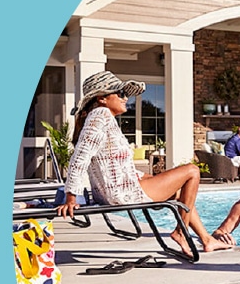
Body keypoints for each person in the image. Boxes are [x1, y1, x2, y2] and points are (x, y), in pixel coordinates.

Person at [56, 70, 228, 256]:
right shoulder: (100, 115)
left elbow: (113, 165)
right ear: (102, 98)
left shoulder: (100, 117)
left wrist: (146, 176)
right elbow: (79, 158)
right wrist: (70, 197)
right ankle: (180, 232)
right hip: (121, 193)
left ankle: (206, 240)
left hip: (116, 189)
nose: (125, 98)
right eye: (120, 93)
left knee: (180, 191)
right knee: (192, 171)